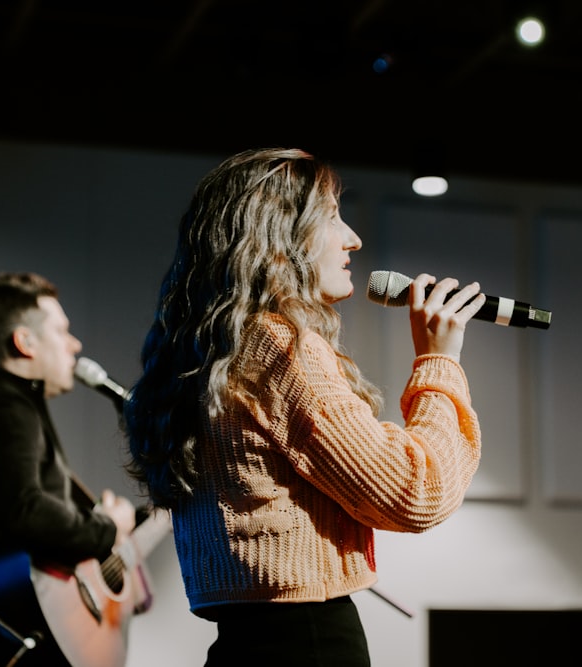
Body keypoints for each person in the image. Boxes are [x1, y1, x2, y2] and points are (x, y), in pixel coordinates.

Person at [124, 148, 485, 666]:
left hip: (244, 641)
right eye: (333, 217)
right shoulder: (277, 347)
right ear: (281, 236)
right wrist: (438, 362)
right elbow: (417, 492)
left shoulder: (206, 349)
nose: (353, 239)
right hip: (307, 641)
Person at [0, 272, 136, 666]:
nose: (75, 345)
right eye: (62, 331)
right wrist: (108, 529)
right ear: (24, 343)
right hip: (3, 649)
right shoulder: (3, 406)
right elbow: (26, 510)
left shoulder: (7, 403)